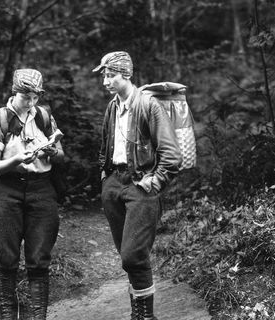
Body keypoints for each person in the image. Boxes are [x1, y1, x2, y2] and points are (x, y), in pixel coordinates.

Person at [94, 51, 181, 320]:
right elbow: (105, 147)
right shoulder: (112, 106)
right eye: (104, 76)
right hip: (113, 186)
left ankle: (145, 317)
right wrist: (105, 180)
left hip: (140, 185)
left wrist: (153, 183)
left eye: (110, 75)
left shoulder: (148, 105)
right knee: (127, 257)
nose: (105, 81)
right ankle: (139, 316)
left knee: (133, 256)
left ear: (126, 75)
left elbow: (171, 155)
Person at [0, 68, 64, 320]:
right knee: (5, 257)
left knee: (39, 258)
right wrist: (17, 159)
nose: (30, 103)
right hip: (6, 191)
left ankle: (39, 316)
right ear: (14, 92)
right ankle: (9, 314)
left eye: (35, 97)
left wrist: (52, 152)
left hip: (41, 189)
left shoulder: (43, 116)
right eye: (25, 97)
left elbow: (61, 153)